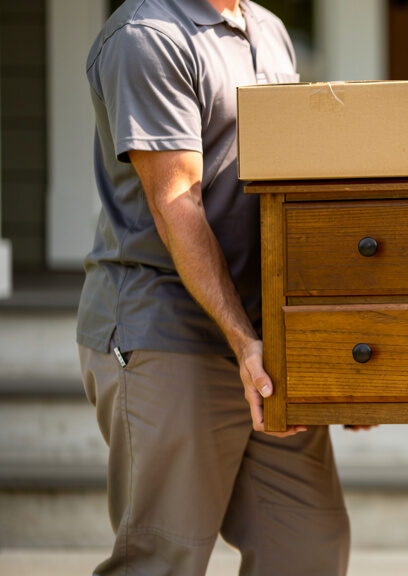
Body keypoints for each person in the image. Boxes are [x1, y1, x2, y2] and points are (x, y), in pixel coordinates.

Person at [76, 0, 350, 573]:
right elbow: (178, 201)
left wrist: (339, 353)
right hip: (168, 330)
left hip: (266, 338)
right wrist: (242, 339)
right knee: (163, 560)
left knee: (305, 548)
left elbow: (294, 187)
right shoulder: (147, 36)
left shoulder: (269, 30)